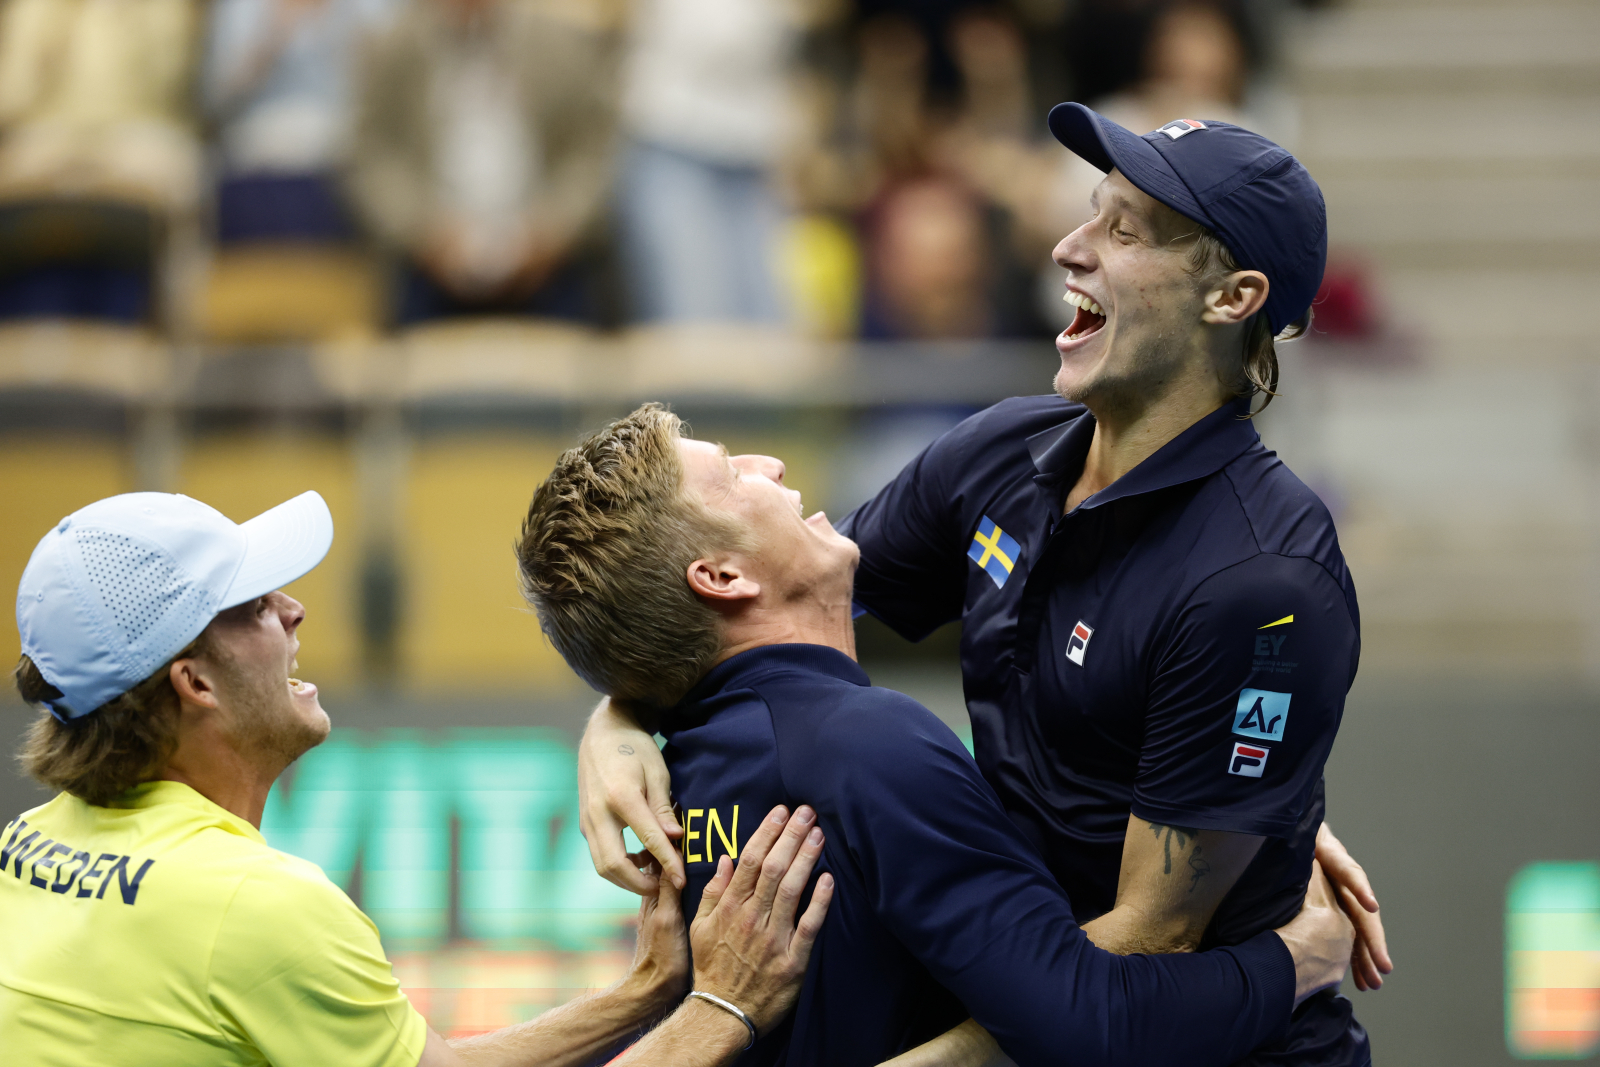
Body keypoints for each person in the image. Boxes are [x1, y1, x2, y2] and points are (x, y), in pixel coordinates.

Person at [578, 104, 1394, 1065]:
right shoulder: (1001, 452)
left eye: (1125, 232)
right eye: (1091, 212)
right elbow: (761, 598)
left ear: (1233, 297)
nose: (1068, 247)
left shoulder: (1264, 584)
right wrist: (615, 724)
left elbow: (1138, 958)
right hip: (1046, 1004)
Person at [517, 403, 1356, 1067]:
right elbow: (1087, 1024)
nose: (771, 466)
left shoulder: (691, 759)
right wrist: (1293, 960)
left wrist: (615, 715)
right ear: (722, 575)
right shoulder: (870, 749)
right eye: (735, 474)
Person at [1, 489, 833, 1067]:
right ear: (195, 683)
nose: (292, 608)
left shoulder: (25, 846)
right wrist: (720, 1009)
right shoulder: (254, 906)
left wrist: (649, 989)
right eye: (253, 605)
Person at [344, 0, 617, 324]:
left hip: (548, 266)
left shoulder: (559, 45)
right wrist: (421, 231)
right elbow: (372, 154)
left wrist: (553, 231)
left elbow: (592, 152)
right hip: (428, 266)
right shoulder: (397, 46)